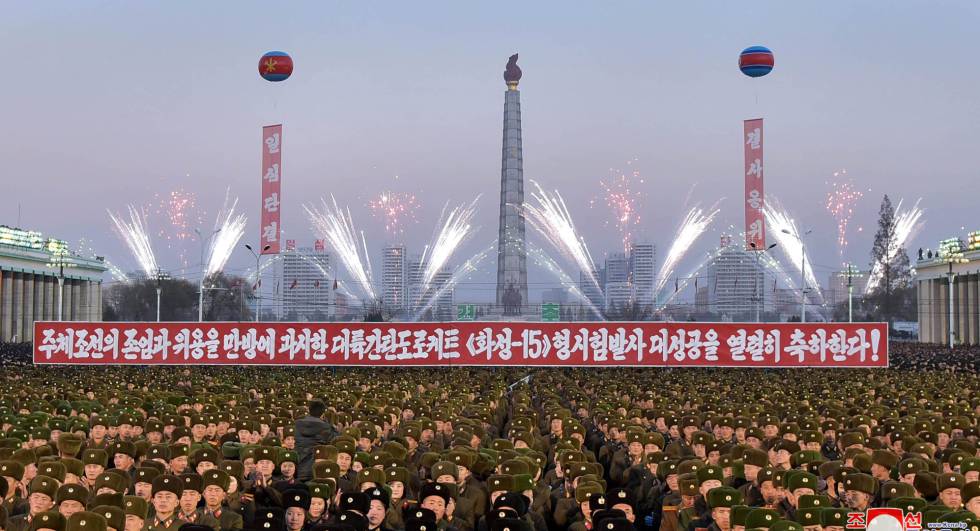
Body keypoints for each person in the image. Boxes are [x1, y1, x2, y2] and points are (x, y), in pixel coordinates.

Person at [295, 401, 338, 483]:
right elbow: (335, 442)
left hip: (297, 467)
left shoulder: (296, 424)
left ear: (309, 410)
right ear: (323, 414)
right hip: (315, 469)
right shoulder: (327, 428)